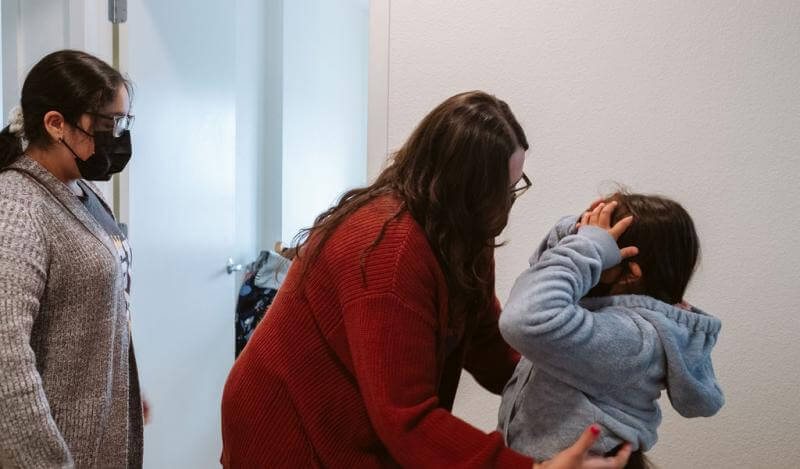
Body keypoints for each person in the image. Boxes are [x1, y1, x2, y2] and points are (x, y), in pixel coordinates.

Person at [221, 91, 631, 468]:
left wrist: (576, 389)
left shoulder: (462, 232)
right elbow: (407, 420)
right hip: (285, 431)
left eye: (514, 186)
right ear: (466, 190)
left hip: (352, 420)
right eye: (505, 190)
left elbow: (487, 341)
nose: (509, 201)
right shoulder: (390, 251)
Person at [498, 194, 725, 468]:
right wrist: (574, 232)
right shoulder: (599, 313)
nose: (590, 250)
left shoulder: (635, 337)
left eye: (602, 249)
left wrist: (586, 247)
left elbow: (524, 316)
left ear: (630, 273)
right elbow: (543, 272)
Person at [0, 50, 142, 467]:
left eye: (122, 122)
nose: (116, 137)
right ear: (56, 123)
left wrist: (127, 388)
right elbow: (5, 359)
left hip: (101, 436)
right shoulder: (16, 207)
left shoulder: (85, 192)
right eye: (106, 123)